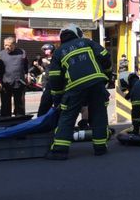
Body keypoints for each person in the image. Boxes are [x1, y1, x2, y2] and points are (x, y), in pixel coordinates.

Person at [46, 24, 113, 160]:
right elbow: (105, 57)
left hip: (74, 87)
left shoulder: (59, 52)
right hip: (96, 83)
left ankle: (59, 151)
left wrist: (57, 98)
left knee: (68, 117)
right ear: (77, 33)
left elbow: (54, 77)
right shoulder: (87, 42)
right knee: (99, 114)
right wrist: (106, 76)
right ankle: (100, 148)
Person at [0, 37, 28, 117]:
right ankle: (5, 122)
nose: (7, 47)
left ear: (14, 45)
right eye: (5, 45)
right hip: (5, 83)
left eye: (9, 45)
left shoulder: (22, 52)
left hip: (19, 82)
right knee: (5, 104)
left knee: (19, 104)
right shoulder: (0, 54)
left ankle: (20, 121)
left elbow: (26, 65)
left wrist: (27, 75)